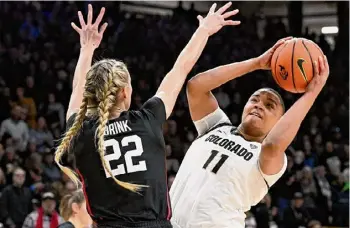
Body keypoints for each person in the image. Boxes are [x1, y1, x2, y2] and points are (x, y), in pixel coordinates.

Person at [55, 3, 240, 228]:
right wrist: (204, 30)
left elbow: (76, 91)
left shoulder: (81, 132)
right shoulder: (147, 121)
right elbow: (180, 69)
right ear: (125, 92)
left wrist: (86, 49)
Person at [170, 37, 329, 228]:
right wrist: (256, 63)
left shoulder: (270, 157)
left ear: (279, 122)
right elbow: (196, 87)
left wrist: (310, 95)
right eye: (255, 100)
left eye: (269, 105)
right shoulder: (216, 126)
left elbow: (273, 145)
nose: (259, 105)